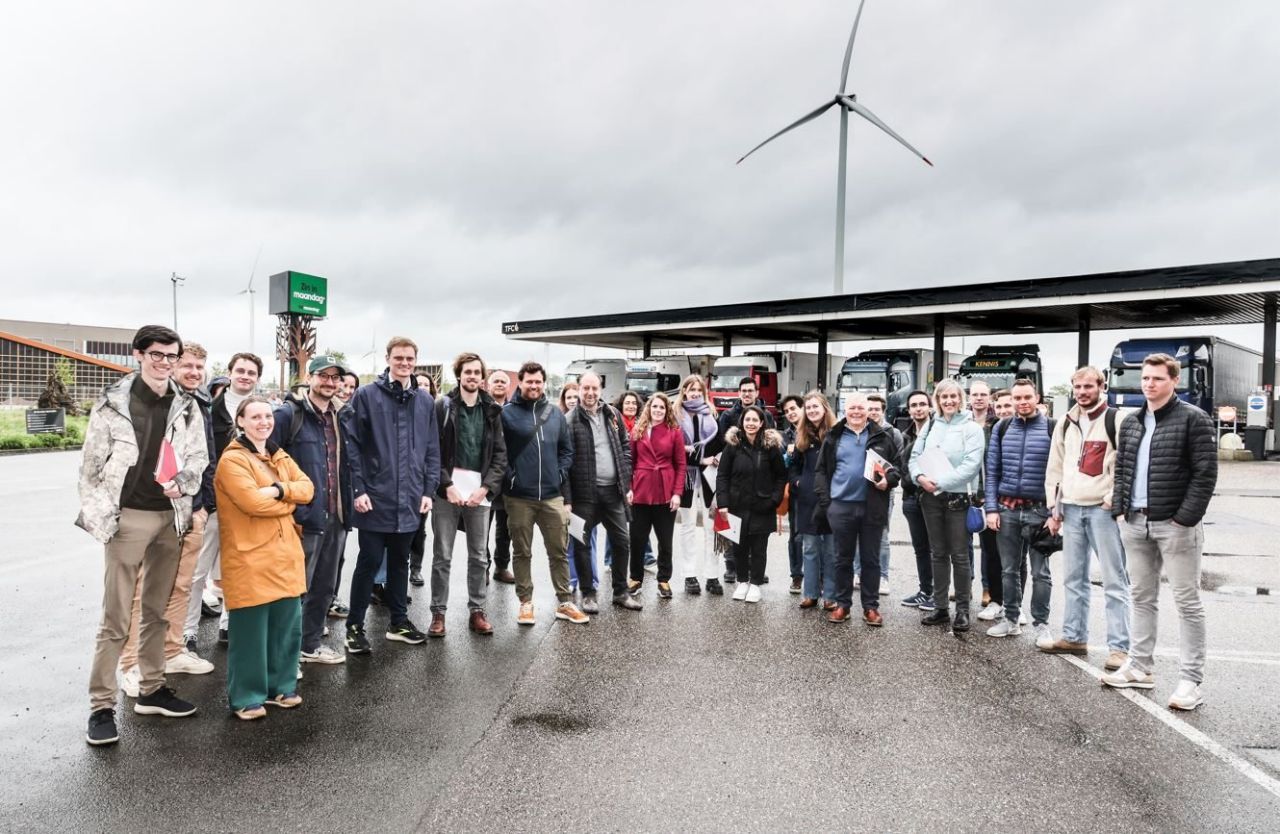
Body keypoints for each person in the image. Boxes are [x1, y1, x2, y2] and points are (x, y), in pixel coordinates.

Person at [80, 325, 208, 746]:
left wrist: (184, 483)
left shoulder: (187, 405)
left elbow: (198, 459)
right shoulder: (113, 402)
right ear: (138, 354)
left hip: (170, 517)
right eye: (158, 355)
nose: (166, 363)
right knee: (116, 618)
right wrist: (104, 520)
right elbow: (91, 468)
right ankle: (101, 705)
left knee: (157, 611)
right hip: (128, 518)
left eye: (172, 356)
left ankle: (151, 689)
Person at [1103, 353, 1217, 710]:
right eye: (1145, 378)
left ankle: (1190, 682)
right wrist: (1121, 510)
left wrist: (1184, 518)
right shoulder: (1132, 422)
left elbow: (1205, 475)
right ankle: (1139, 666)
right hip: (1135, 522)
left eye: (1156, 378)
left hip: (1175, 525)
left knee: (1187, 603)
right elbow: (1122, 470)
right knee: (1142, 597)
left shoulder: (1194, 420)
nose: (1149, 384)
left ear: (1174, 381)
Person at [117, 343, 217, 696]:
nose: (194, 371)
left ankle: (172, 651)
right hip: (156, 512)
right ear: (172, 366)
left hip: (193, 510)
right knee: (144, 590)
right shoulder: (152, 404)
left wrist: (204, 504)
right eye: (187, 364)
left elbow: (205, 459)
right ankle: (131, 664)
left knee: (181, 586)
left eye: (199, 366)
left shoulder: (200, 403)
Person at [215, 396, 314, 720]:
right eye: (255, 416)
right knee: (251, 634)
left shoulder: (278, 454)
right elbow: (251, 504)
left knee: (286, 628)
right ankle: (247, 696)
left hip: (284, 556)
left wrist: (277, 491)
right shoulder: (233, 461)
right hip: (251, 558)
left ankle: (281, 687)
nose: (263, 422)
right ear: (240, 421)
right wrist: (289, 499)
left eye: (267, 416)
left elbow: (307, 488)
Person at [342, 337, 442, 653]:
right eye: (398, 357)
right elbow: (351, 446)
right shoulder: (367, 395)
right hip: (375, 497)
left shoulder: (425, 401)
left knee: (400, 562)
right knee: (369, 562)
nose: (404, 363)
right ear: (388, 359)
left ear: (416, 360)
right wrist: (358, 489)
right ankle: (354, 627)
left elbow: (432, 449)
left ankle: (398, 622)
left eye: (410, 358)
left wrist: (429, 490)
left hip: (411, 498)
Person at [1043, 366, 1131, 671]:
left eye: (1088, 386)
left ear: (1101, 386)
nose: (1082, 392)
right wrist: (1054, 509)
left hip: (1101, 511)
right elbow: (1055, 467)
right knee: (1073, 578)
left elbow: (1127, 464)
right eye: (1077, 387)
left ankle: (1119, 647)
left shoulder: (1116, 419)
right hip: (1071, 508)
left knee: (1113, 579)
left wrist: (1113, 499)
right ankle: (1074, 636)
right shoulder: (1067, 422)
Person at [270, 355, 352, 666]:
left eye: (335, 378)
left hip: (337, 514)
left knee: (324, 587)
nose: (330, 383)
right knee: (293, 590)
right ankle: (283, 655)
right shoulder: (288, 415)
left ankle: (310, 645)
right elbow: (267, 464)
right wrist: (286, 506)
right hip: (302, 517)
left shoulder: (343, 415)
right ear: (310, 377)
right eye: (324, 376)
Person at [184, 351, 262, 650]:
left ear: (257, 378)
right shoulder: (206, 408)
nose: (245, 376)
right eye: (240, 370)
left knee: (237, 568)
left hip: (245, 506)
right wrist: (201, 502)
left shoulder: (262, 411)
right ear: (230, 372)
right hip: (212, 503)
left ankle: (229, 622)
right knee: (197, 571)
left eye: (251, 372)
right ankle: (188, 631)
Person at [501, 362, 589, 625]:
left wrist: (559, 475)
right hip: (519, 497)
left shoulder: (554, 414)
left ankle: (564, 602)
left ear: (543, 383)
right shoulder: (507, 414)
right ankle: (525, 603)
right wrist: (512, 477)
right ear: (521, 382)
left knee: (558, 551)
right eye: (529, 381)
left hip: (552, 495)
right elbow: (498, 452)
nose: (534, 386)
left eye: (538, 381)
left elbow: (566, 451)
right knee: (522, 551)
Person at [428, 352, 508, 637]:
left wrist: (485, 488)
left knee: (479, 557)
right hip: (446, 493)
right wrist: (445, 484)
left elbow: (500, 456)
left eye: (477, 372)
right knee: (443, 556)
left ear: (481, 377)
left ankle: (477, 610)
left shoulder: (492, 411)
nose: (472, 376)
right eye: (467, 372)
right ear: (459, 375)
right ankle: (438, 613)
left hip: (479, 494)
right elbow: (432, 451)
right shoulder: (444, 407)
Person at [816, 392, 900, 626]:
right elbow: (821, 470)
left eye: (860, 408)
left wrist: (889, 481)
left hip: (872, 506)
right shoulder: (834, 436)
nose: (856, 412)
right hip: (840, 506)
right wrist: (827, 501)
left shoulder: (881, 436)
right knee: (842, 559)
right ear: (845, 409)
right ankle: (843, 605)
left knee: (871, 559)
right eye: (852, 408)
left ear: (868, 411)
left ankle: (870, 607)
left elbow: (896, 467)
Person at [984, 379, 1056, 646]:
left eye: (1027, 397)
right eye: (1018, 398)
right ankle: (1011, 619)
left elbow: (1060, 473)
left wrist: (1055, 512)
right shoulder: (1001, 428)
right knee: (1009, 570)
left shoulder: (1052, 427)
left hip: (1040, 512)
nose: (1022, 402)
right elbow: (992, 472)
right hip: (1007, 509)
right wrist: (992, 508)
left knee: (1041, 573)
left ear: (1037, 398)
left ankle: (1041, 625)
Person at [909, 380, 985, 631]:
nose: (949, 401)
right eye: (944, 397)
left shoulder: (972, 428)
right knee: (938, 553)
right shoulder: (930, 426)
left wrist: (939, 482)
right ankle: (941, 607)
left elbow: (971, 466)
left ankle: (962, 610)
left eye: (953, 396)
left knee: (960, 555)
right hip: (930, 498)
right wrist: (919, 478)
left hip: (957, 499)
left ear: (960, 398)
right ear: (938, 400)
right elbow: (914, 458)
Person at [567, 372, 639, 612]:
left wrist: (626, 480)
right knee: (581, 543)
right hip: (583, 496)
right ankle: (588, 594)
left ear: (600, 390)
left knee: (622, 541)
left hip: (613, 492)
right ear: (579, 389)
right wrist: (567, 498)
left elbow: (625, 447)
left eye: (594, 388)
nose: (590, 393)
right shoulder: (570, 420)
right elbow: (564, 462)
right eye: (586, 388)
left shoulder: (613, 414)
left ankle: (620, 592)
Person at [716, 406, 787, 604]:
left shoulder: (770, 446)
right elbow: (722, 476)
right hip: (736, 505)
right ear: (742, 421)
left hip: (762, 505)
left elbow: (781, 476)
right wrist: (723, 502)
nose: (751, 423)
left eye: (755, 420)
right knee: (739, 547)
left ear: (762, 423)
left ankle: (755, 584)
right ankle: (742, 581)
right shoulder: (732, 445)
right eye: (747, 420)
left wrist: (774, 499)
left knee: (758, 548)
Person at [712, 377, 775, 584]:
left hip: (758, 475)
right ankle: (731, 567)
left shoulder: (766, 415)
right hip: (733, 474)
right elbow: (722, 443)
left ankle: (754, 569)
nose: (747, 394)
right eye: (743, 390)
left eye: (750, 390)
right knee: (731, 526)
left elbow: (771, 440)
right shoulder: (728, 415)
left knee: (754, 530)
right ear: (739, 393)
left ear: (757, 393)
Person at [626, 392, 686, 599]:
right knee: (637, 538)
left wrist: (677, 493)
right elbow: (630, 463)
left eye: (662, 407)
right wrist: (629, 487)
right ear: (649, 409)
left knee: (665, 540)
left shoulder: (674, 432)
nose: (658, 410)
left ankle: (664, 580)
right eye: (655, 407)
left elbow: (681, 465)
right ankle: (635, 578)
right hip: (641, 491)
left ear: (667, 410)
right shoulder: (637, 430)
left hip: (665, 490)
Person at [673, 374, 723, 596]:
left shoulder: (711, 414)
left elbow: (720, 443)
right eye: (690, 389)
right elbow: (675, 449)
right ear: (684, 391)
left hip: (710, 476)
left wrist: (718, 457)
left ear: (704, 393)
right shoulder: (675, 416)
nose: (694, 393)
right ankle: (689, 574)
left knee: (713, 526)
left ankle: (712, 576)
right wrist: (699, 460)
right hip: (686, 475)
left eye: (698, 390)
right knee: (688, 525)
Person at [789, 392, 837, 610]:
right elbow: (793, 467)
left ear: (824, 408)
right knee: (809, 548)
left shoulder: (837, 434)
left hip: (831, 498)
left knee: (830, 549)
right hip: (807, 499)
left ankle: (830, 595)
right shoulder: (802, 436)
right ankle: (810, 593)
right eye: (808, 408)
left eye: (815, 406)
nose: (812, 411)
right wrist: (798, 483)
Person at [898, 390, 936, 612]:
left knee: (937, 549)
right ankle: (925, 591)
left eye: (922, 404)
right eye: (914, 405)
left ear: (930, 407)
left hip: (932, 498)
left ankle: (937, 594)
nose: (918, 408)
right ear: (909, 409)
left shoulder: (937, 432)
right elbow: (901, 465)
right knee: (921, 548)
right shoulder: (905, 435)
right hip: (910, 499)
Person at [863, 393, 902, 595]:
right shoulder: (861, 431)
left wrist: (888, 481)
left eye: (876, 409)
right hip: (862, 491)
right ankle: (858, 573)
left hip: (884, 491)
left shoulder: (892, 433)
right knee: (858, 532)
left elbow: (899, 464)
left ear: (883, 411)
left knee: (883, 534)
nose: (873, 412)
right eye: (869, 409)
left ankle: (883, 577)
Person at [779, 393, 806, 594]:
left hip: (816, 489)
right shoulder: (784, 437)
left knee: (819, 535)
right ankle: (796, 576)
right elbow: (781, 465)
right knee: (795, 535)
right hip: (795, 490)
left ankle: (821, 577)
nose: (790, 413)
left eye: (793, 409)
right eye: (786, 411)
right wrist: (786, 456)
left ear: (802, 408)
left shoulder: (814, 430)